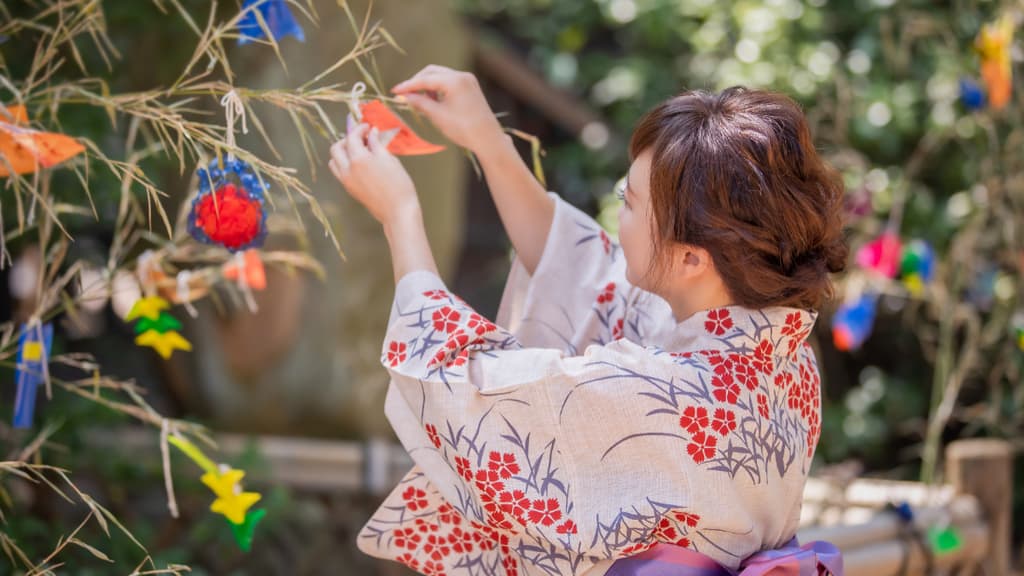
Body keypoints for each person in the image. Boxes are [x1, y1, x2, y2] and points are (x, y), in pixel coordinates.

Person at [327, 64, 847, 576]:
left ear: (692, 259)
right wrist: (488, 140)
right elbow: (585, 274)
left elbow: (466, 388)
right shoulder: (780, 350)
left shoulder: (662, 398)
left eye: (630, 200)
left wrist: (400, 216)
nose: (617, 210)